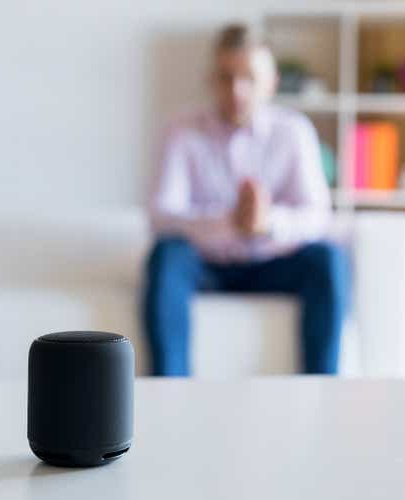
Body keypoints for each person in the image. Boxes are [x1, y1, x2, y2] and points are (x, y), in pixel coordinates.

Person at [143, 23, 349, 376]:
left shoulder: (294, 132)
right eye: (226, 77)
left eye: (249, 78)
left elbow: (317, 217)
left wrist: (267, 223)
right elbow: (161, 216)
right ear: (211, 80)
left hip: (274, 262)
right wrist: (229, 222)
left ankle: (321, 391)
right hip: (205, 265)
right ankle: (169, 391)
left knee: (328, 260)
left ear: (272, 82)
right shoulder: (180, 131)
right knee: (166, 257)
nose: (237, 90)